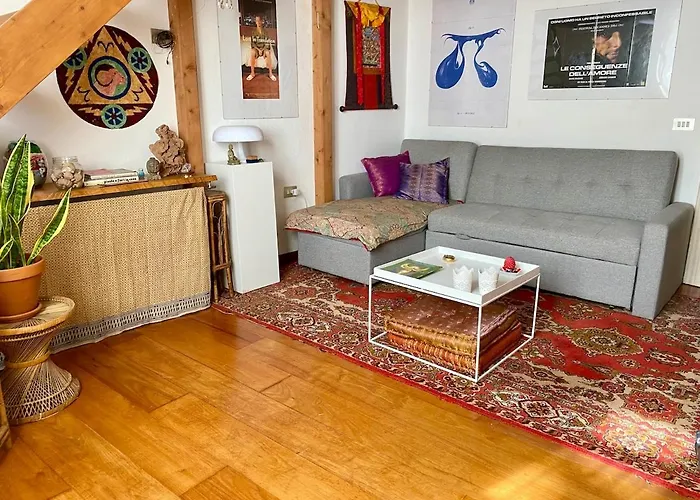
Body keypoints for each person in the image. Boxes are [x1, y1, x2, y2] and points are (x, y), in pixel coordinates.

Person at [247, 15, 276, 82]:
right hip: (257, 49)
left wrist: (262, 50)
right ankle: (252, 73)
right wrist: (258, 50)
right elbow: (253, 43)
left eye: (259, 20)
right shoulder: (253, 32)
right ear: (255, 22)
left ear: (261, 21)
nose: (258, 22)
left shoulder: (265, 32)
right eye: (257, 21)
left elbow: (267, 42)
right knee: (252, 52)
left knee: (268, 53)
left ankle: (270, 74)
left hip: (264, 48)